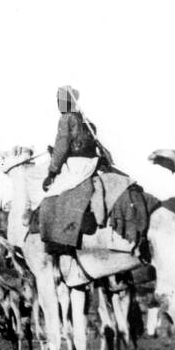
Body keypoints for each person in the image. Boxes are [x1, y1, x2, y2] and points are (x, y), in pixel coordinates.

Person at [39, 85, 111, 253]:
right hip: (91, 162)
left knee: (50, 199)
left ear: (68, 102)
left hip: (76, 166)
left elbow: (62, 146)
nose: (58, 104)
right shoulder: (86, 120)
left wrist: (52, 172)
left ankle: (59, 243)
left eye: (61, 101)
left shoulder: (66, 118)